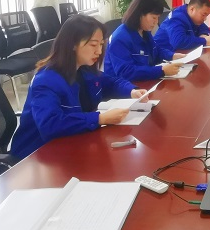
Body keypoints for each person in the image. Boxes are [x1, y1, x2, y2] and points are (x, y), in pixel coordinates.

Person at [11, 15, 148, 159]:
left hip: (72, 143)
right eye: (93, 45)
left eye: (101, 44)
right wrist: (99, 119)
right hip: (36, 156)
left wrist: (131, 90)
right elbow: (50, 124)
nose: (99, 51)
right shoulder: (46, 80)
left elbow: (111, 82)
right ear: (73, 44)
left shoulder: (84, 69)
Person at [104, 0, 185, 81]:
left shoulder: (144, 31)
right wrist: (161, 71)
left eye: (158, 18)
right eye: (154, 18)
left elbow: (156, 50)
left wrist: (172, 56)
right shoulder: (119, 38)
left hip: (145, 80)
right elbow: (126, 72)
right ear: (140, 15)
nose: (156, 22)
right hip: (125, 86)